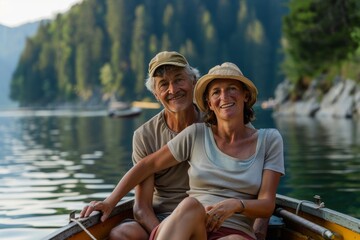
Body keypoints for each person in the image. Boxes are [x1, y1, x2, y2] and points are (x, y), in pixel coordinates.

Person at [80, 62, 285, 240]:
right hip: (194, 226)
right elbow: (147, 165)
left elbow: (267, 204)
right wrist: (109, 202)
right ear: (209, 104)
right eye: (216, 92)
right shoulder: (196, 134)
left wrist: (236, 205)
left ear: (245, 95)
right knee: (189, 205)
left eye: (232, 88)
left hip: (235, 230)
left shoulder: (269, 140)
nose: (224, 96)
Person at [111, 51, 201, 240]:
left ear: (194, 81)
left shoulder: (214, 123)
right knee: (121, 234)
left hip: (205, 216)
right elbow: (142, 208)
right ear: (155, 94)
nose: (173, 89)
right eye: (163, 84)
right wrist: (165, 233)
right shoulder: (144, 136)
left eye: (178, 80)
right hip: (162, 220)